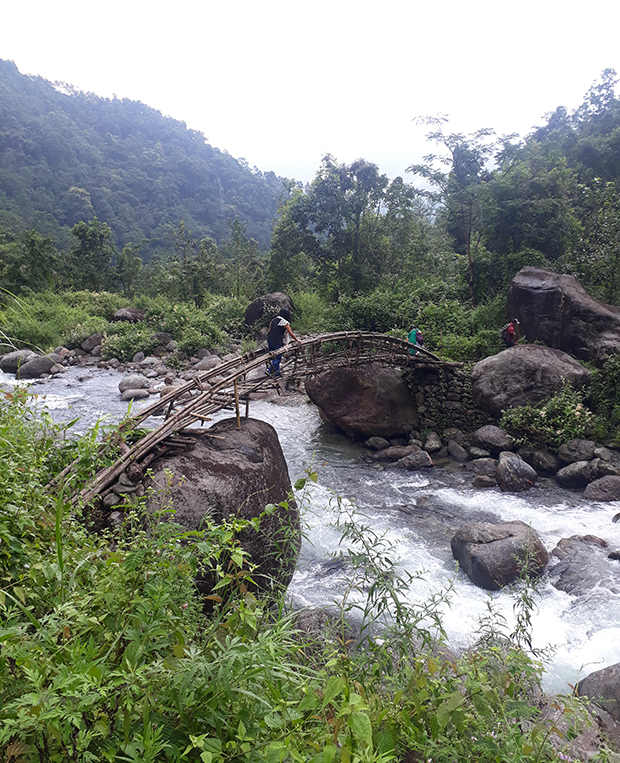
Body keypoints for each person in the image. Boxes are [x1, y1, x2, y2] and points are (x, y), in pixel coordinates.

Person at [267, 308, 301, 377]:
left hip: (270, 341)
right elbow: (291, 333)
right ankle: (272, 371)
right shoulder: (285, 322)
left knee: (273, 357)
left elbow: (269, 330)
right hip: (277, 342)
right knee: (278, 358)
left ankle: (274, 372)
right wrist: (297, 340)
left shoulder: (273, 320)